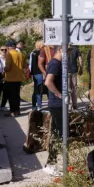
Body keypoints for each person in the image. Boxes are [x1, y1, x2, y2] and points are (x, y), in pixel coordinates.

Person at [43, 47, 64, 175]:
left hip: (58, 103)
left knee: (58, 133)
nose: (71, 53)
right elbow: (48, 82)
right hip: (56, 104)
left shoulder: (57, 63)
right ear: (60, 49)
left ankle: (52, 162)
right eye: (69, 50)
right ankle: (50, 163)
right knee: (58, 134)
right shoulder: (55, 64)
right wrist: (59, 95)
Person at [3, 39, 26, 117]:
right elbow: (24, 66)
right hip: (19, 77)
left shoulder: (9, 54)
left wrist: (4, 69)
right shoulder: (21, 54)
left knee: (11, 96)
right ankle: (17, 110)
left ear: (8, 47)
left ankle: (12, 112)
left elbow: (8, 67)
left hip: (10, 78)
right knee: (16, 95)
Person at [29, 40, 46, 111]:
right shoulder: (41, 53)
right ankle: (39, 106)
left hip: (34, 73)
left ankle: (33, 106)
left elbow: (31, 64)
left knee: (36, 90)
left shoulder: (32, 53)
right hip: (40, 73)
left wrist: (31, 74)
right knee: (40, 91)